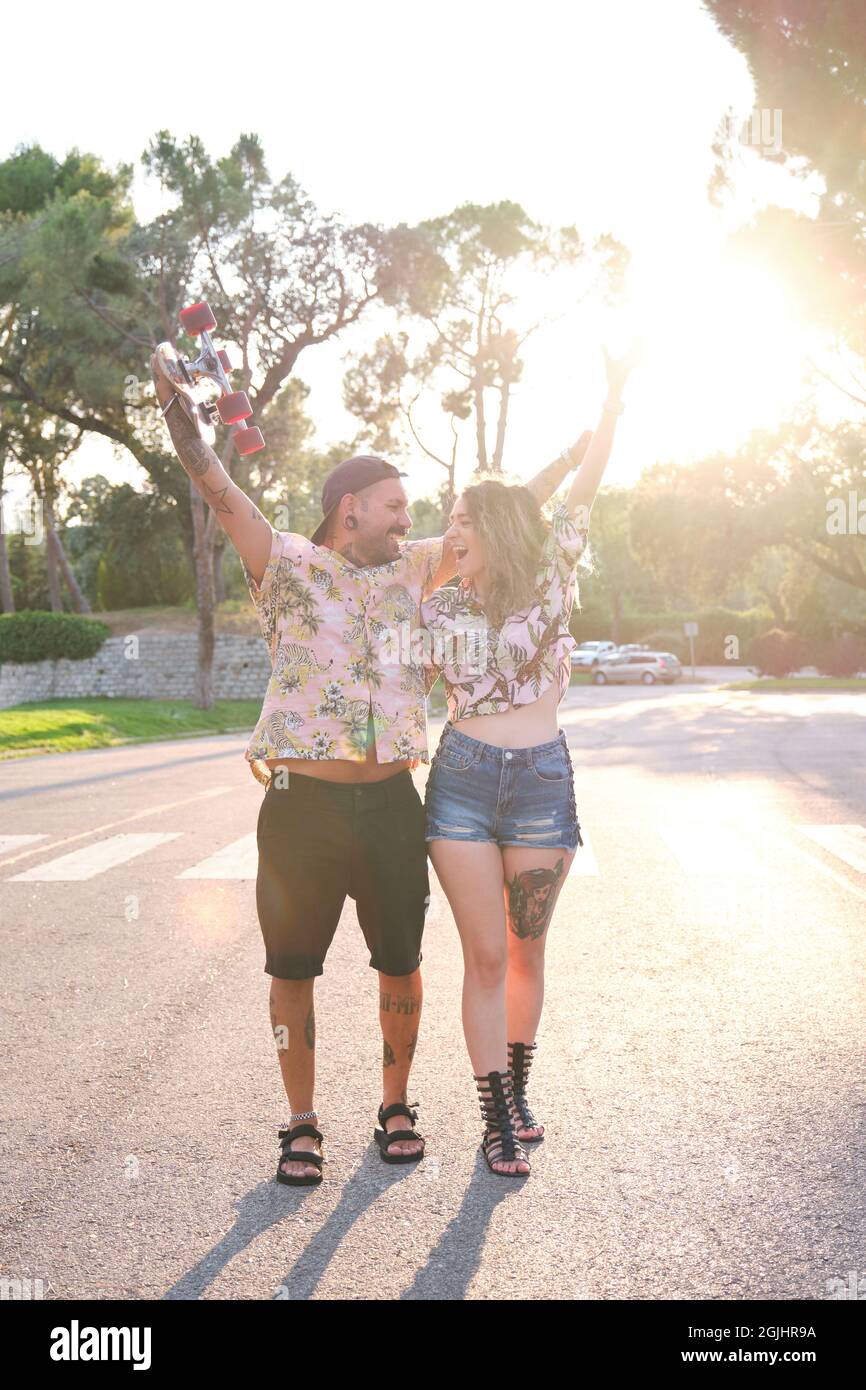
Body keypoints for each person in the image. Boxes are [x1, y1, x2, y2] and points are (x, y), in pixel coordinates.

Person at [151, 350, 590, 1186]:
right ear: (349, 509)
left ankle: (396, 1105)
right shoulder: (281, 562)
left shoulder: (414, 567)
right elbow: (215, 484)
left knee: (402, 960)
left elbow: (508, 517)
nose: (410, 519)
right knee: (292, 970)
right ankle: (301, 1122)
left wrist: (570, 456)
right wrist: (177, 407)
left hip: (393, 799)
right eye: (396, 506)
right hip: (299, 808)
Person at [420, 347, 638, 1177]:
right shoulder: (438, 605)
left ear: (499, 528)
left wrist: (610, 408)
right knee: (481, 956)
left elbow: (585, 486)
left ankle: (518, 1089)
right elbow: (395, 673)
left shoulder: (552, 573)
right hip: (463, 785)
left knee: (525, 952)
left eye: (464, 520)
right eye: (449, 520)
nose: (452, 532)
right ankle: (493, 1121)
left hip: (542, 779)